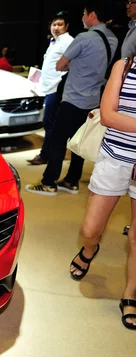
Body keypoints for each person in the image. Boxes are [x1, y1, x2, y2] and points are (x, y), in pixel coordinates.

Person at [68, 56, 136, 329]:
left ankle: (130, 294)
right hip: (116, 157)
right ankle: (89, 250)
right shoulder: (126, 65)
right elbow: (108, 115)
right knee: (90, 229)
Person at [26, 3, 118, 196]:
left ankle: (49, 182)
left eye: (84, 14)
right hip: (93, 99)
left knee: (58, 140)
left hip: (74, 98)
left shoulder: (84, 38)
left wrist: (73, 66)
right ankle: (72, 180)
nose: (82, 18)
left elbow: (60, 65)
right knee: (79, 141)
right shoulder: (112, 39)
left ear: (92, 15)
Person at [27, 12, 74, 166]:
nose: (56, 27)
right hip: (49, 88)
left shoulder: (68, 41)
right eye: (54, 24)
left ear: (67, 26)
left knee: (50, 124)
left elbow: (71, 64)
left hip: (57, 88)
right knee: (49, 124)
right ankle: (48, 154)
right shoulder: (55, 41)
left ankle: (47, 155)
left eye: (60, 24)